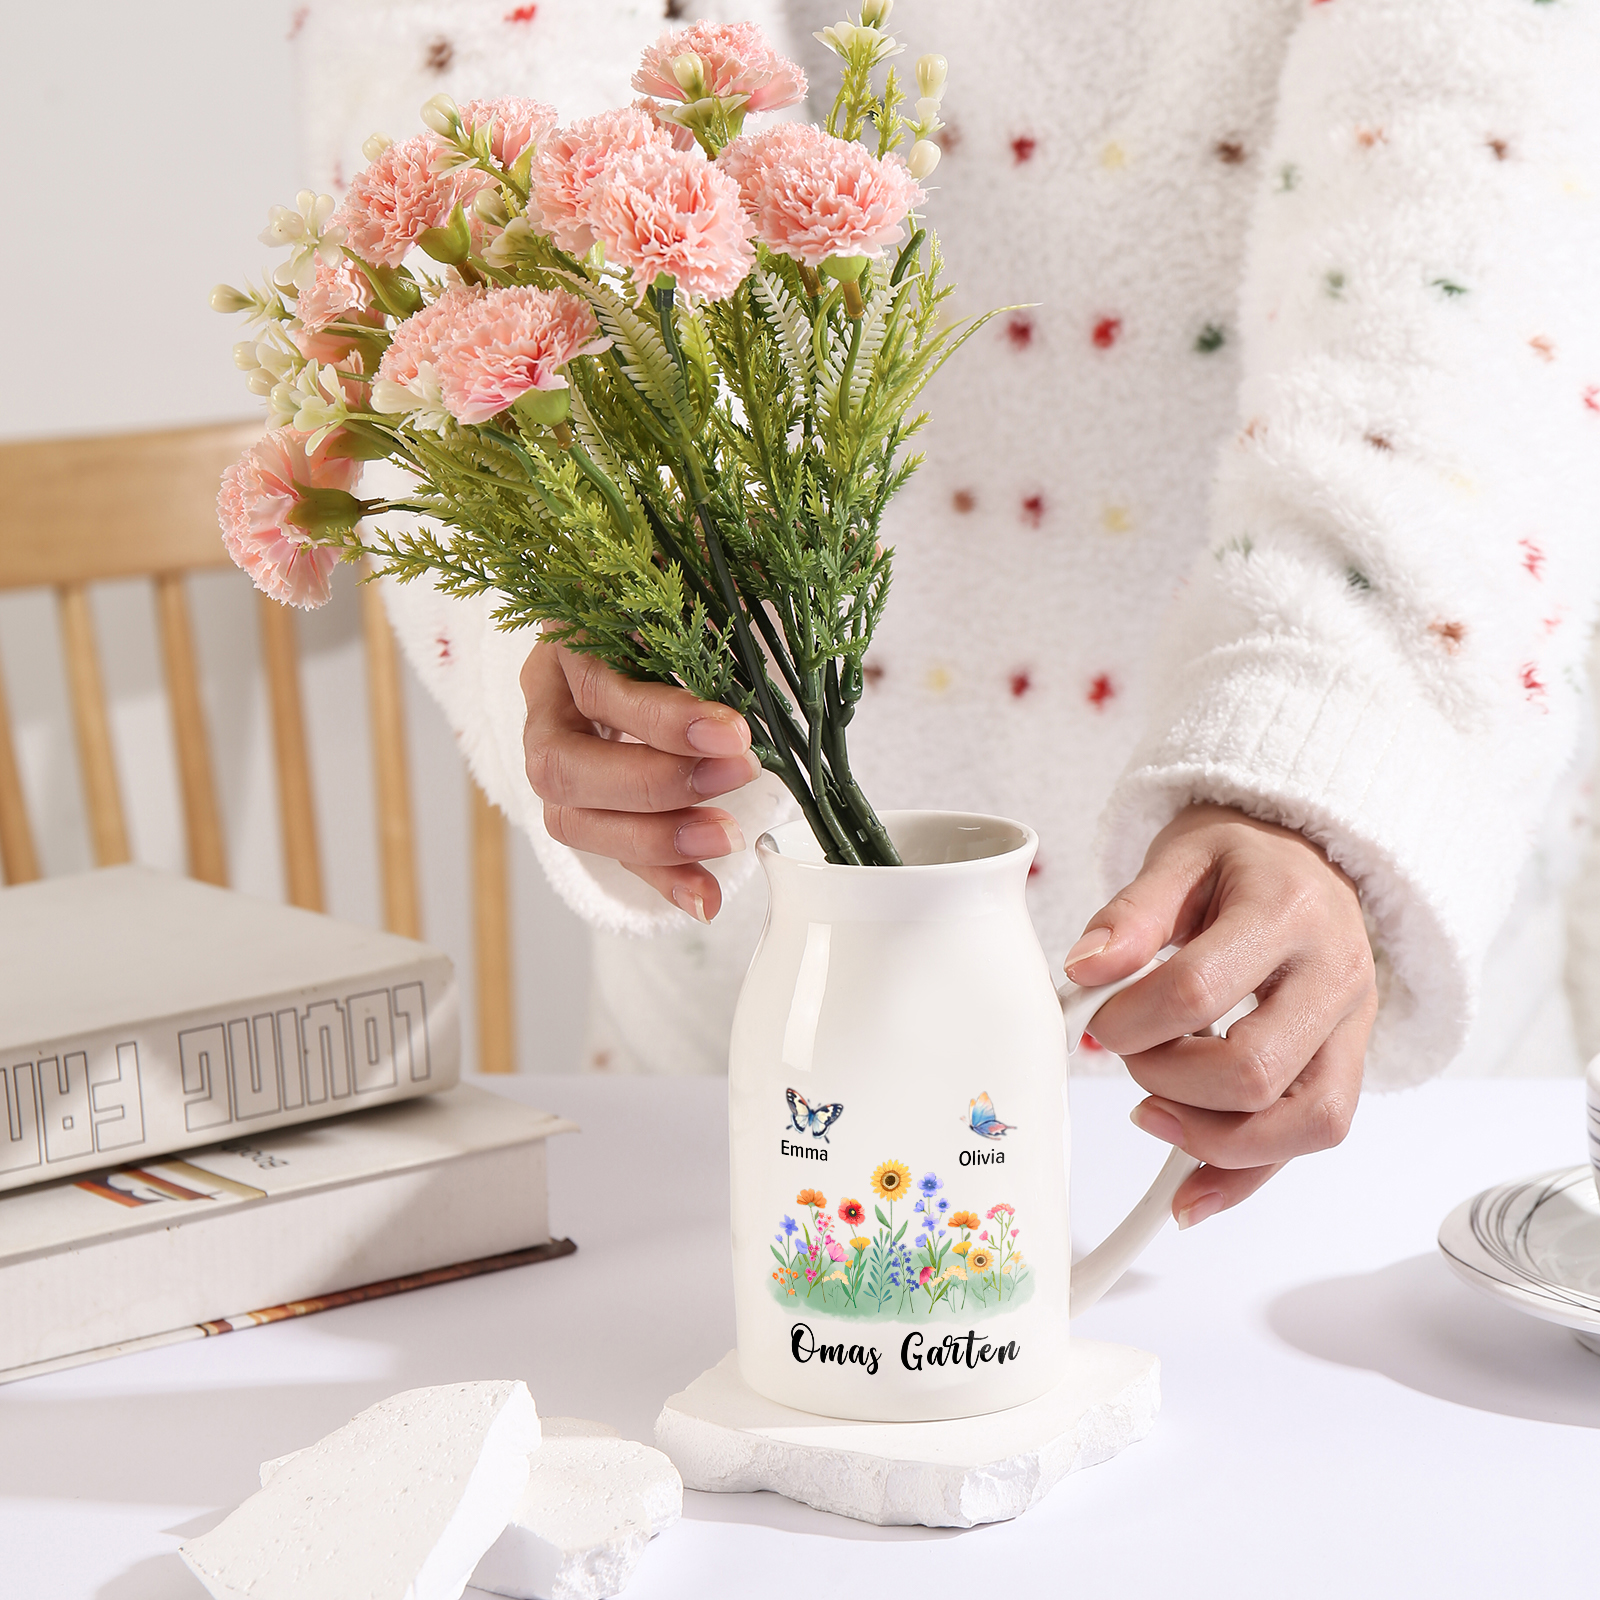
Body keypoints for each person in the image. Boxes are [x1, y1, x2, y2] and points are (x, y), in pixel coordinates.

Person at [299, 0, 1600, 1227]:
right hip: (741, 1012)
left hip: (1342, 1039)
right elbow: (462, 91)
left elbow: (1481, 207)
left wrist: (1322, 754)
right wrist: (601, 570)